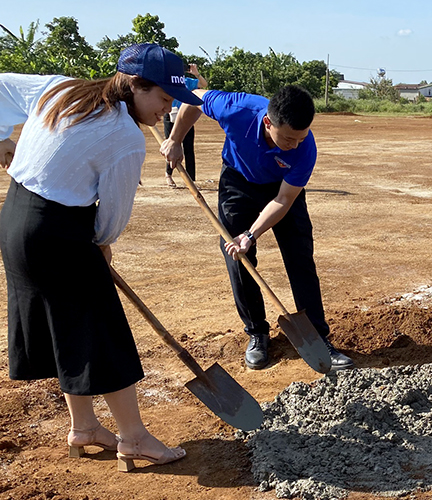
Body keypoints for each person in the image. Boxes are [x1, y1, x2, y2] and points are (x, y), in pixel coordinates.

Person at [0, 44, 202, 471]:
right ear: (135, 85)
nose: (165, 112)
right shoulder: (125, 137)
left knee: (66, 327)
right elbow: (112, 216)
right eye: (163, 100)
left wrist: (3, 137)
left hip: (16, 219)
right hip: (57, 235)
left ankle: (85, 427)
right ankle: (134, 437)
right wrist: (102, 244)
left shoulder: (62, 88)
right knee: (102, 332)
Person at [160, 84, 354, 372]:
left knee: (300, 256)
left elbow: (284, 199)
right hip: (238, 181)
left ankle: (316, 336)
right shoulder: (237, 109)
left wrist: (252, 234)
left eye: (300, 138)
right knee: (237, 256)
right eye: (288, 138)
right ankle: (257, 333)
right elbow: (196, 97)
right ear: (268, 122)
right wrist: (176, 139)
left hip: (280, 189)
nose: (295, 145)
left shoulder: (304, 148)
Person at [163, 63, 207, 187]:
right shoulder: (169, 81)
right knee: (170, 144)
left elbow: (203, 85)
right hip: (171, 113)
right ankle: (168, 174)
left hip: (185, 117)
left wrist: (196, 73)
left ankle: (191, 180)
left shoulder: (187, 82)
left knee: (188, 148)